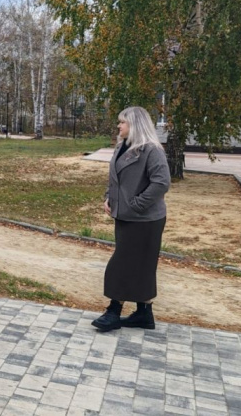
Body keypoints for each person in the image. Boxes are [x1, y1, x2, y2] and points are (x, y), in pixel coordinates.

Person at [92, 106, 171, 332]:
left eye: (122, 122)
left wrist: (137, 204)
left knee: (122, 263)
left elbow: (161, 182)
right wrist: (109, 198)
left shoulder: (151, 150)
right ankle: (144, 314)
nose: (119, 126)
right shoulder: (122, 147)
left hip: (145, 219)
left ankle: (113, 311)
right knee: (141, 265)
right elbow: (115, 179)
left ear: (135, 125)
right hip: (125, 217)